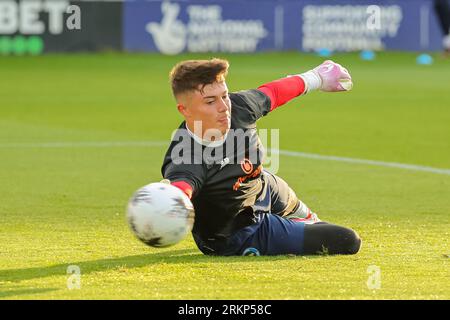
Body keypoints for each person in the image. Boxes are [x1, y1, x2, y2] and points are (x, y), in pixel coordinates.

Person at [161, 58, 361, 256]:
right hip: (238, 233)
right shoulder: (185, 155)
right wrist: (169, 201)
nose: (224, 107)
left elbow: (274, 92)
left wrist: (317, 76)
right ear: (184, 110)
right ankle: (297, 228)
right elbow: (182, 185)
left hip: (260, 188)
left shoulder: (239, 107)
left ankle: (308, 221)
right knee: (348, 240)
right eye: (210, 101)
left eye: (224, 96)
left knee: (273, 185)